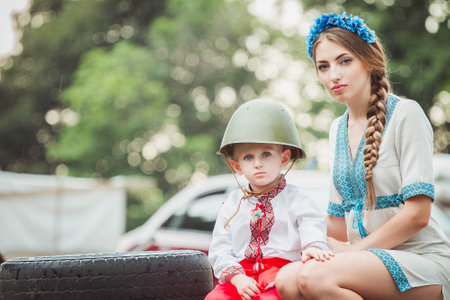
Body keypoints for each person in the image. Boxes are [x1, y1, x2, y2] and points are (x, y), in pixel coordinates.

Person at [275, 12, 450, 300]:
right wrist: (288, 224)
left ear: (368, 61)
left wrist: (355, 250)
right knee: (288, 279)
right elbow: (336, 222)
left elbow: (418, 214)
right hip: (362, 260)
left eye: (345, 61)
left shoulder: (406, 114)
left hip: (421, 262)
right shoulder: (336, 129)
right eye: (323, 66)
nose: (334, 75)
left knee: (315, 277)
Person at [205, 99, 334, 300]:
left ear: (283, 159)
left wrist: (313, 246)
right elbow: (220, 247)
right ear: (237, 165)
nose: (257, 164)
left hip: (281, 278)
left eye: (266, 154)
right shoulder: (231, 203)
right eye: (248, 157)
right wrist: (237, 279)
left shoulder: (297, 199)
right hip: (240, 279)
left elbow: (311, 224)